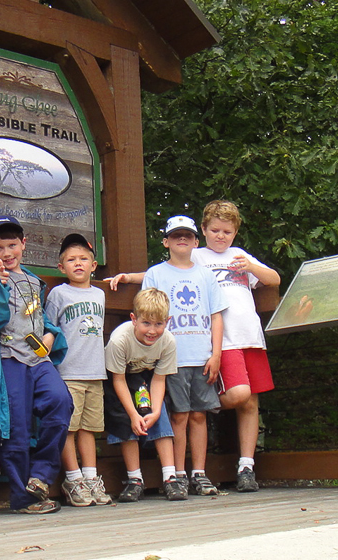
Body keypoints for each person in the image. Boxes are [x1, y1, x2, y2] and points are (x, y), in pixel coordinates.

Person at [105, 215, 228, 496]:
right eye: (175, 235)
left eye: (187, 235)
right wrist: (126, 277)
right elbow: (149, 306)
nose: (181, 240)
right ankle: (178, 474)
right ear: (166, 241)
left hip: (201, 356)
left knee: (200, 415)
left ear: (197, 242)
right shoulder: (157, 273)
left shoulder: (205, 275)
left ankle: (199, 472)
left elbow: (216, 314)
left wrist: (216, 353)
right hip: (168, 360)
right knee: (179, 416)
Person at [0, 215, 73, 514]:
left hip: (37, 357)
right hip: (6, 359)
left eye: (12, 245)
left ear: (24, 244)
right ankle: (22, 497)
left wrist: (49, 334)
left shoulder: (34, 281)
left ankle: (41, 476)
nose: (7, 253)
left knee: (60, 402)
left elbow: (40, 317)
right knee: (15, 426)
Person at [192, 200, 281, 492]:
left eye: (227, 231)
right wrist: (129, 277)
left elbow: (273, 279)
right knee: (237, 394)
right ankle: (201, 407)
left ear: (234, 232)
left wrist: (251, 266)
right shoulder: (196, 256)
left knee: (251, 401)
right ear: (203, 229)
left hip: (250, 336)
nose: (221, 236)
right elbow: (167, 273)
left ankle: (246, 466)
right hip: (223, 339)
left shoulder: (239, 255)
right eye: (215, 230)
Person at [45, 234, 112, 507]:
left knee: (90, 428)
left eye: (83, 259)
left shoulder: (99, 294)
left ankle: (91, 477)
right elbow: (48, 330)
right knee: (68, 429)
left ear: (94, 264)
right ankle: (73, 478)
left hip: (95, 372)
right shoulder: (58, 293)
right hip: (68, 372)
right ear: (62, 268)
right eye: (71, 260)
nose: (78, 264)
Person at [104, 288, 186, 502]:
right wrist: (133, 415)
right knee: (126, 420)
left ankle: (170, 478)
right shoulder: (119, 341)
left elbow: (159, 379)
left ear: (167, 322)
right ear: (134, 319)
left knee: (157, 415)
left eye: (159, 324)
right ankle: (134, 480)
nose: (152, 331)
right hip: (120, 380)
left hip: (148, 378)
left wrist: (156, 411)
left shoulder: (168, 341)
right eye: (146, 323)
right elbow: (118, 380)